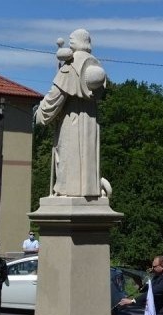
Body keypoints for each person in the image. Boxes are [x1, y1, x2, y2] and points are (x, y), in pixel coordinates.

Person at [35, 28, 107, 198]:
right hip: (90, 120)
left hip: (71, 120)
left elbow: (55, 98)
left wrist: (40, 114)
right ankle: (89, 189)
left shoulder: (70, 66)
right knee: (88, 154)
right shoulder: (95, 64)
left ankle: (68, 189)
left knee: (70, 153)